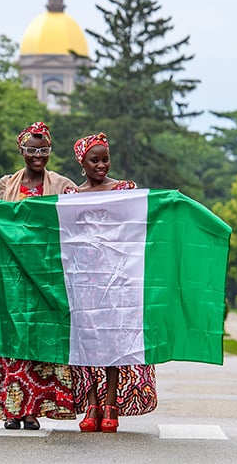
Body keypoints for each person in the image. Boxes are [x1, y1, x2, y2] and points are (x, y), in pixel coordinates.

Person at [67, 132, 158, 433]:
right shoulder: (72, 197)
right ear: (82, 163)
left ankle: (110, 403)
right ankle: (91, 403)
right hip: (85, 282)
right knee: (87, 343)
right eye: (95, 160)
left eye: (105, 159)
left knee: (113, 342)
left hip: (117, 279)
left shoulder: (124, 190)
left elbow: (138, 223)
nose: (101, 165)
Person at [0, 122, 77, 430]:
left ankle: (33, 411)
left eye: (44, 150)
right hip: (14, 277)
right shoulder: (5, 185)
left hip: (49, 276)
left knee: (43, 339)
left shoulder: (63, 185)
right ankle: (14, 409)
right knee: (16, 339)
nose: (38, 156)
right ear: (21, 150)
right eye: (31, 150)